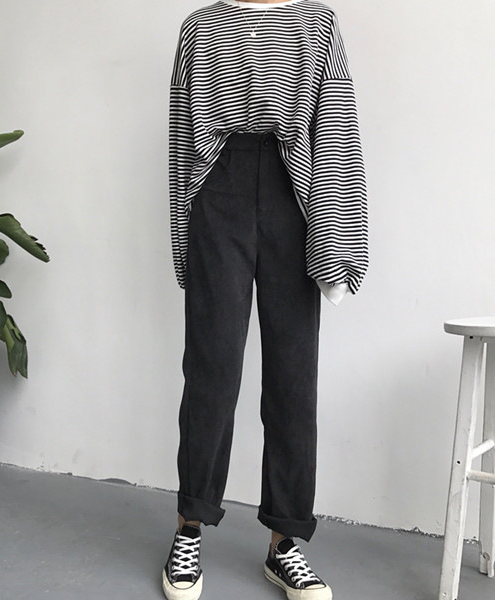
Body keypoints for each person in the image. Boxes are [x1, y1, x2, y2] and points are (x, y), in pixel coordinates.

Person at [162, 1, 368, 599]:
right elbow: (182, 140)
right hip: (217, 186)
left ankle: (285, 543)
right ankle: (189, 526)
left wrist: (337, 239)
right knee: (212, 368)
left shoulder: (317, 23)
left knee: (293, 377)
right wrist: (184, 239)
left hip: (295, 188)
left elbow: (337, 129)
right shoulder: (199, 25)